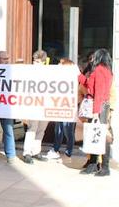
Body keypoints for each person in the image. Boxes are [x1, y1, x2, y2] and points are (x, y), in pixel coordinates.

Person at [79, 48, 114, 176]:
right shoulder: (107, 70)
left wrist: (95, 112)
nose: (92, 59)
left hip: (98, 106)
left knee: (99, 135)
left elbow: (98, 92)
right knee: (97, 135)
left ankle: (103, 167)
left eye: (94, 56)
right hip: (102, 106)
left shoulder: (99, 70)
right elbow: (90, 85)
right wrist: (80, 76)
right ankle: (96, 165)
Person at [44, 58, 77, 162]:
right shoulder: (58, 78)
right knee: (58, 129)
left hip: (68, 107)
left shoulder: (73, 79)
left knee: (68, 131)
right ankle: (55, 150)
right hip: (59, 106)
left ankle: (68, 153)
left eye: (60, 65)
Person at [22, 50, 51, 164]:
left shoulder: (49, 73)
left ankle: (36, 151)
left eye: (38, 61)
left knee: (41, 129)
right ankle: (27, 152)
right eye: (34, 61)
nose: (35, 63)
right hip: (33, 104)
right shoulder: (30, 72)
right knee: (32, 128)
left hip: (45, 104)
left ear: (43, 62)